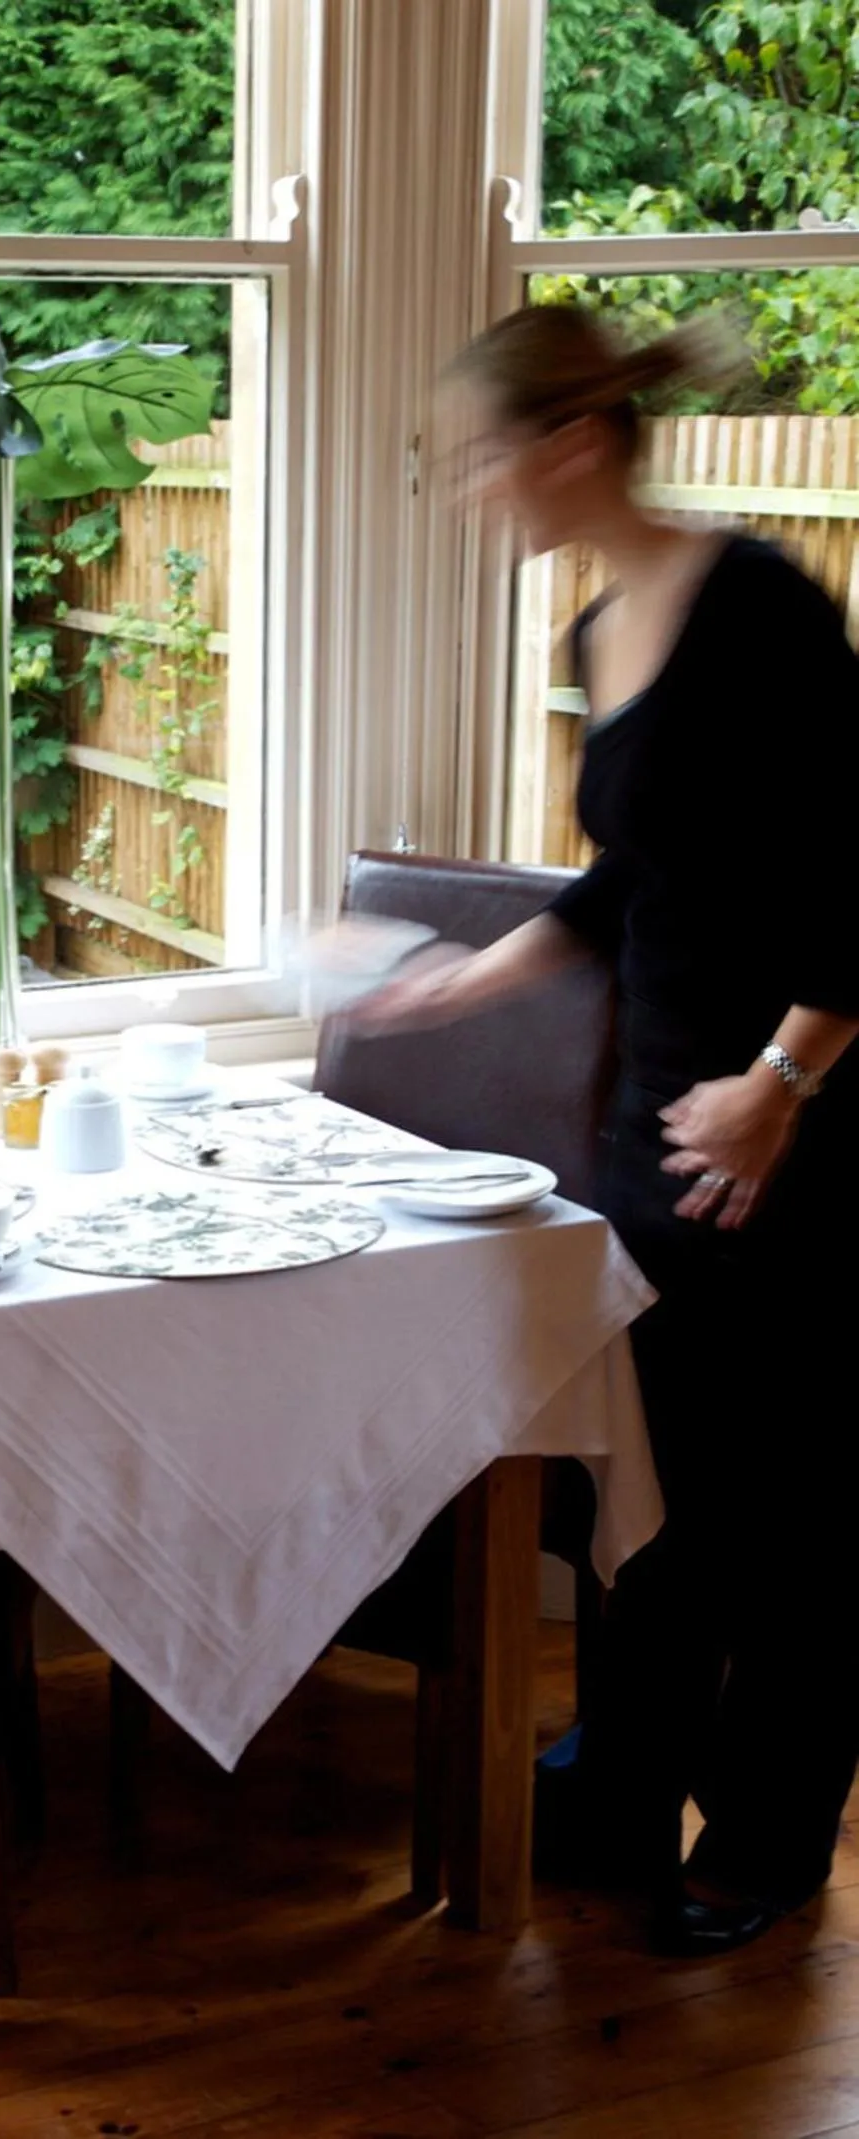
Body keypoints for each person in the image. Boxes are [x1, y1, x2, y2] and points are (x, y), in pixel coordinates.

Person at [357, 304, 859, 1956]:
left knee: (783, 1501)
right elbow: (637, 872)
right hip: (658, 1116)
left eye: (488, 454)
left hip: (788, 1123)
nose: (476, 488)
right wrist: (470, 981)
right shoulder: (597, 628)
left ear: (573, 444)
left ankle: (774, 1836)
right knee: (651, 1475)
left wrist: (782, 1085)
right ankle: (624, 1776)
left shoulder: (762, 610)